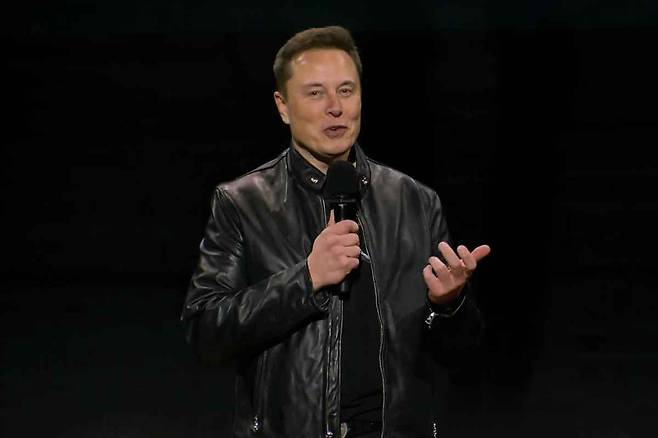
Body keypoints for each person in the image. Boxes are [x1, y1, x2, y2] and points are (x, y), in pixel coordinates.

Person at [181, 25, 491, 438]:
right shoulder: (243, 203)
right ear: (283, 106)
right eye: (315, 93)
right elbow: (206, 334)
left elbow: (460, 354)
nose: (335, 108)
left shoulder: (415, 201)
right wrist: (306, 278)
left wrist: (449, 304)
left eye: (346, 91)